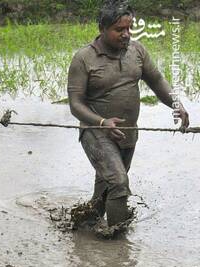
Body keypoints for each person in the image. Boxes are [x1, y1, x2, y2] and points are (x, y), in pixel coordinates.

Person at [67, 0, 189, 229]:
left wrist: (176, 104)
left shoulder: (137, 50)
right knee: (119, 182)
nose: (126, 34)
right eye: (119, 29)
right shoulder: (84, 58)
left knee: (107, 187)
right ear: (102, 28)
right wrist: (102, 122)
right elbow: (75, 104)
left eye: (129, 28)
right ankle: (117, 240)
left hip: (127, 133)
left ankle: (84, 227)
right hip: (96, 132)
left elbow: (157, 80)